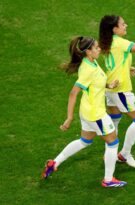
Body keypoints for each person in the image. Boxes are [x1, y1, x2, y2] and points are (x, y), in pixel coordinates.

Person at [41, 36, 127, 188]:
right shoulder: (87, 69)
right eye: (96, 47)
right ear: (88, 51)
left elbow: (95, 82)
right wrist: (69, 118)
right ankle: (108, 180)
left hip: (87, 112)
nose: (99, 49)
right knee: (113, 142)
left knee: (84, 141)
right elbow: (73, 93)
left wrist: (108, 84)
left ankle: (54, 163)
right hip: (96, 114)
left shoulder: (91, 62)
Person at [98, 14, 135, 168]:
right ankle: (124, 154)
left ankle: (110, 153)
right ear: (115, 29)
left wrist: (127, 68)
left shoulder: (108, 42)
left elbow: (114, 62)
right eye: (123, 24)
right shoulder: (120, 43)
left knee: (114, 119)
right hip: (120, 90)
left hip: (109, 88)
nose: (126, 25)